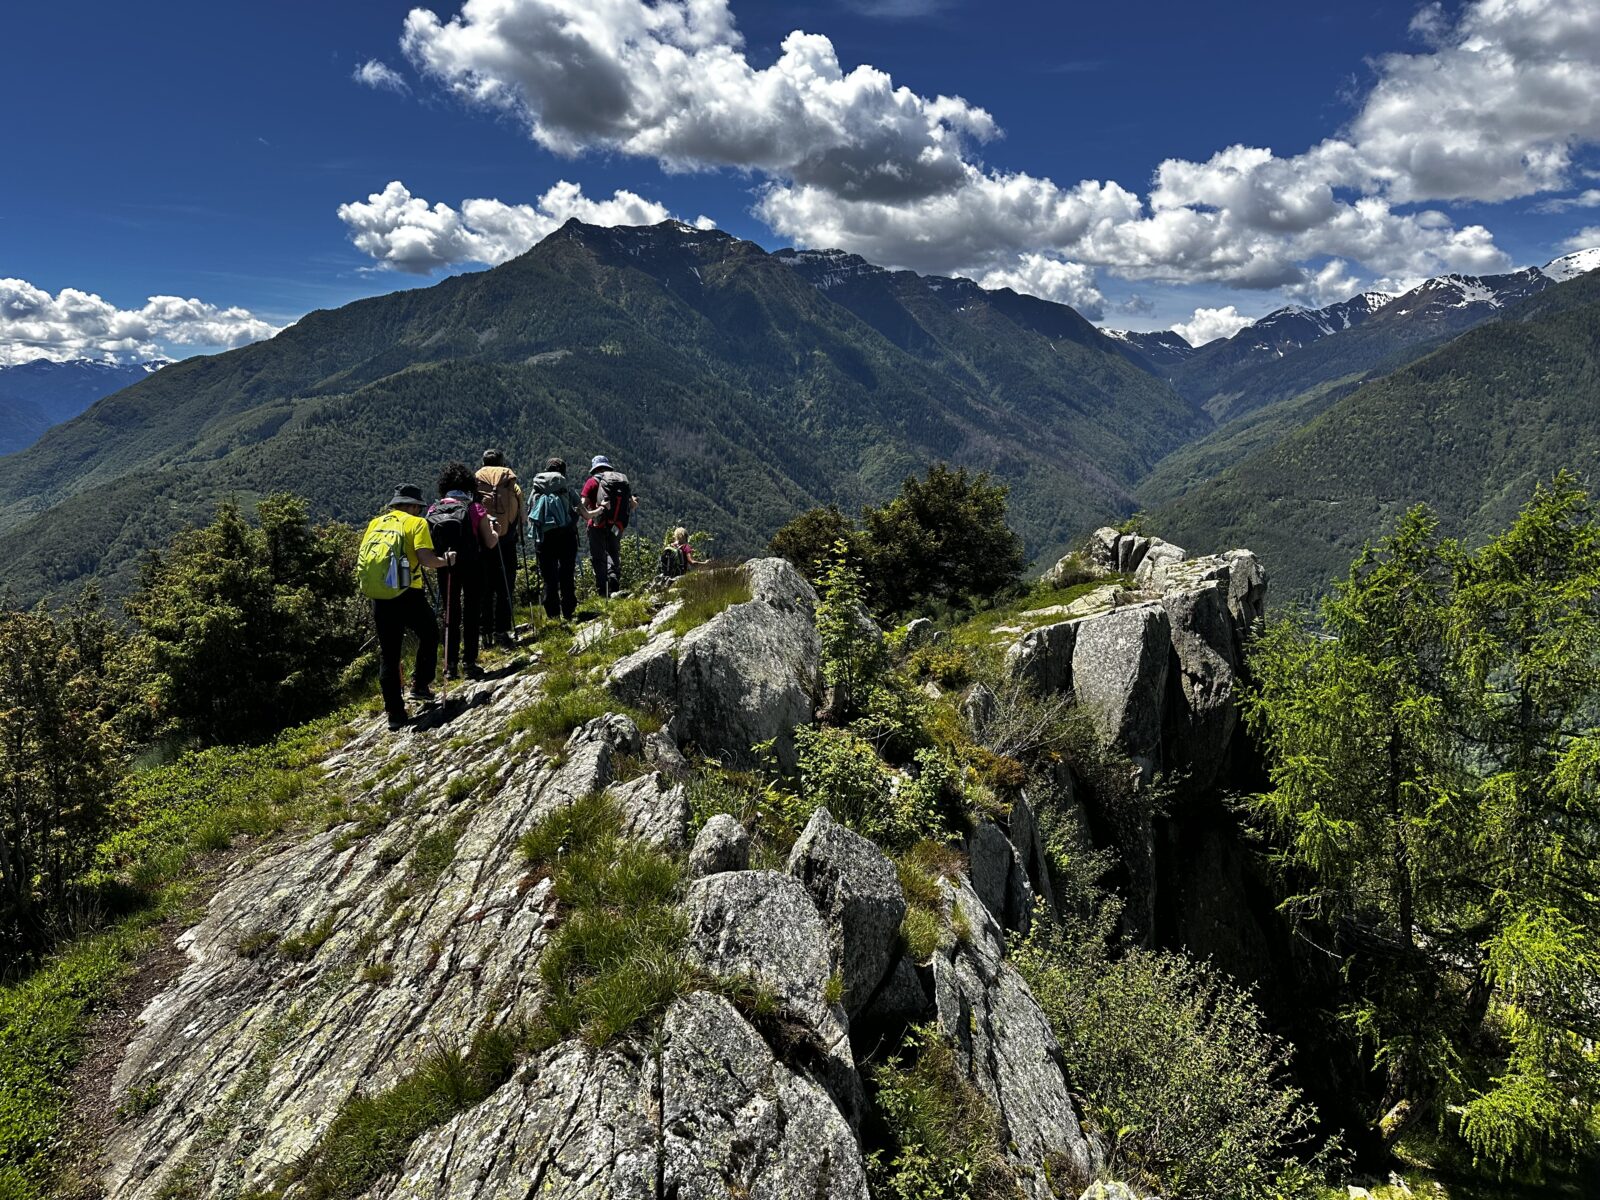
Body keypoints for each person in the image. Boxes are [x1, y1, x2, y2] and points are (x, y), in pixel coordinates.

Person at [357, 483, 457, 731]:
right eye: (419, 507)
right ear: (413, 506)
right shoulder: (416, 524)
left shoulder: (375, 523)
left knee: (389, 653)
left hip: (380, 594)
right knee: (430, 633)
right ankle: (420, 686)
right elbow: (426, 559)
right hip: (407, 592)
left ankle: (394, 712)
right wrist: (446, 561)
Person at [428, 463, 498, 681]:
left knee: (450, 614)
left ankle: (450, 666)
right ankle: (469, 662)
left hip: (446, 565)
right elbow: (490, 542)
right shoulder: (474, 508)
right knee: (471, 611)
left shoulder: (433, 509)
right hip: (472, 565)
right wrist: (495, 530)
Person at [475, 449, 525, 646]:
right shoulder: (511, 483)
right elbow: (522, 516)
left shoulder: (476, 482)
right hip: (507, 541)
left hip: (484, 542)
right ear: (502, 462)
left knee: (484, 588)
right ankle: (501, 632)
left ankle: (483, 634)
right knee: (505, 586)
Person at [529, 457, 580, 621]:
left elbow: (531, 513)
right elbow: (582, 512)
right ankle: (569, 611)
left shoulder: (536, 492)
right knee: (567, 573)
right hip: (566, 537)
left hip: (544, 539)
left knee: (549, 577)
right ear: (563, 472)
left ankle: (553, 614)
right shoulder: (567, 490)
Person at [580, 454, 637, 598]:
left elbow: (582, 505)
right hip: (616, 525)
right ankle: (614, 583)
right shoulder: (620, 481)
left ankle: (603, 592)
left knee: (598, 557)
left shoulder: (592, 482)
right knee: (613, 552)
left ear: (594, 468)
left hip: (596, 524)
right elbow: (632, 504)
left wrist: (587, 513)